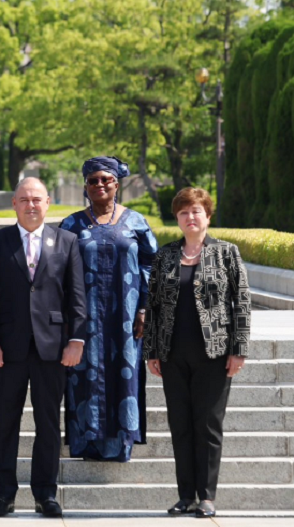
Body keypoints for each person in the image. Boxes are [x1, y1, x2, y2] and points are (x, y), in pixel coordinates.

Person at [0, 178, 85, 518]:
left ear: (48, 202)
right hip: (7, 350)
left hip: (52, 349)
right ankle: (4, 494)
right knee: (6, 422)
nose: (31, 205)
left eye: (37, 198)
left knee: (49, 424)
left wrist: (77, 340)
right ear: (14, 204)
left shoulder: (67, 242)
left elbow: (77, 297)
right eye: (24, 199)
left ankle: (45, 494)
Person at [146, 188, 250, 518]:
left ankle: (206, 496)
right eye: (184, 212)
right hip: (173, 353)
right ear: (176, 219)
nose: (191, 217)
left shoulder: (227, 253)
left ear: (207, 215)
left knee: (207, 425)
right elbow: (153, 305)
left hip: (215, 353)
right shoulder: (164, 256)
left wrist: (239, 349)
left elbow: (242, 304)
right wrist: (152, 350)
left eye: (196, 211)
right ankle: (185, 496)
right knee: (181, 425)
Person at [58, 156, 158, 462]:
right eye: (93, 181)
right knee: (83, 378)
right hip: (83, 319)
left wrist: (144, 309)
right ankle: (85, 444)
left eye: (106, 180)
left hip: (125, 318)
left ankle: (120, 444)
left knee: (123, 375)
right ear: (86, 187)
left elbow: (151, 266)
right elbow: (59, 272)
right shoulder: (71, 224)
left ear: (117, 183)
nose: (99, 185)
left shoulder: (136, 222)